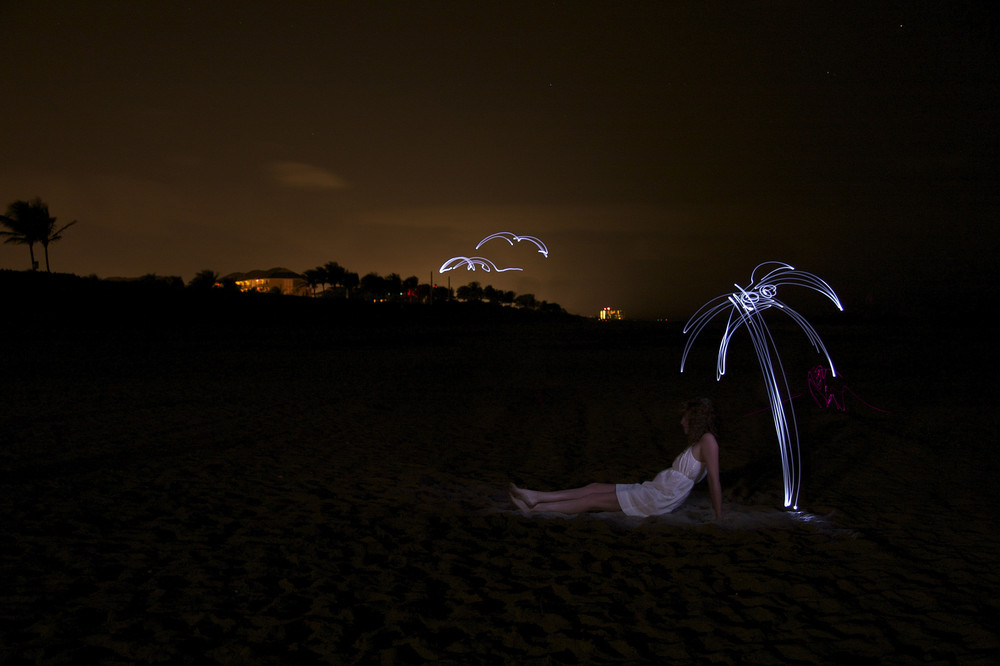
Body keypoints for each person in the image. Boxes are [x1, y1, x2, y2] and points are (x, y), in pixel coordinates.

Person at [509, 397, 724, 520]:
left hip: (661, 498)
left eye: (686, 418)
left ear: (696, 419)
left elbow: (714, 480)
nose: (682, 423)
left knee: (592, 501)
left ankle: (536, 510)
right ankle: (535, 496)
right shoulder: (700, 441)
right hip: (656, 489)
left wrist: (719, 517)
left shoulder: (708, 442)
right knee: (593, 487)